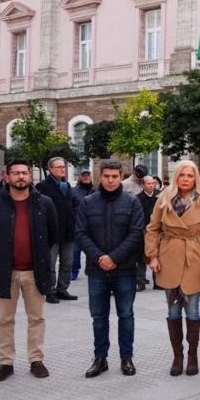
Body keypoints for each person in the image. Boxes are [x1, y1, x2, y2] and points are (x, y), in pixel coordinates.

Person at [145, 160, 200, 376]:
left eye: (190, 176)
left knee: (193, 310)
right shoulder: (164, 198)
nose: (186, 179)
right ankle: (178, 356)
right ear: (177, 177)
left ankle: (192, 356)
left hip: (193, 258)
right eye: (182, 175)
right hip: (169, 257)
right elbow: (153, 228)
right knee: (173, 310)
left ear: (196, 179)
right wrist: (153, 256)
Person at [75, 160, 145, 378]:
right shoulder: (88, 203)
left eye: (115, 176)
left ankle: (126, 357)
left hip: (124, 270)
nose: (111, 180)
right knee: (99, 317)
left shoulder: (132, 202)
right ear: (100, 176)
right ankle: (100, 358)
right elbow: (81, 233)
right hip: (97, 271)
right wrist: (100, 258)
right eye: (107, 176)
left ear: (121, 176)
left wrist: (114, 258)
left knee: (126, 315)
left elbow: (136, 233)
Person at [0, 160, 58, 382]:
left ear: (31, 176)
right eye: (16, 173)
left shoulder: (44, 203)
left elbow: (52, 235)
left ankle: (36, 359)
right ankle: (5, 362)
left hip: (34, 271)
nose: (21, 177)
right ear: (6, 176)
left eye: (24, 173)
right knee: (3, 320)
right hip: (5, 272)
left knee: (37, 317)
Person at [35, 157, 79, 304]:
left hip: (68, 231)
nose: (62, 169)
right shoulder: (42, 187)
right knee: (50, 264)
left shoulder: (67, 186)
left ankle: (62, 289)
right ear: (51, 169)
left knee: (67, 262)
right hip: (51, 233)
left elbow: (74, 206)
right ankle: (50, 290)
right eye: (59, 167)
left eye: (64, 167)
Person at [136, 176, 160, 292]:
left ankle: (158, 282)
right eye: (149, 184)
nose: (151, 186)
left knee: (157, 255)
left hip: (157, 230)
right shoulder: (138, 198)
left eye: (153, 184)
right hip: (142, 230)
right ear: (143, 185)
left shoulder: (159, 197)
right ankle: (141, 281)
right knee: (141, 257)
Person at [71, 169, 95, 280]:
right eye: (84, 175)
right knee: (75, 251)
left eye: (88, 175)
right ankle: (74, 270)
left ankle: (90, 269)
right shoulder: (73, 191)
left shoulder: (96, 191)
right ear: (80, 177)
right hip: (78, 225)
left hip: (93, 226)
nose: (86, 177)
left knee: (91, 250)